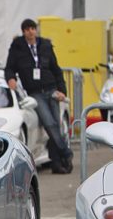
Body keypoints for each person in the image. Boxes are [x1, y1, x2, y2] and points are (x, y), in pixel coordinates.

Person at [4, 18, 74, 174]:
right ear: (23, 32)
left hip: (51, 89)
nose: (30, 31)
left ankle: (57, 163)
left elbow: (56, 69)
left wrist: (62, 90)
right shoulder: (17, 47)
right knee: (49, 123)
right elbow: (9, 68)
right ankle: (66, 153)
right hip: (36, 93)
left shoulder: (45, 45)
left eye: (32, 28)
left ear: (36, 30)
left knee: (55, 125)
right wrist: (11, 78)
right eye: (27, 29)